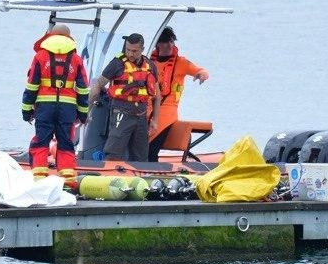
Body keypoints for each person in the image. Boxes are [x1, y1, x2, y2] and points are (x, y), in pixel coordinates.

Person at [21, 24, 90, 191]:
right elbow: (82, 89)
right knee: (66, 142)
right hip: (67, 108)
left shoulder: (40, 56)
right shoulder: (76, 59)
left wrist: (27, 110)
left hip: (44, 107)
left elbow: (31, 85)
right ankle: (67, 181)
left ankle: (39, 180)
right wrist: (82, 114)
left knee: (41, 141)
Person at [89, 33, 161, 162]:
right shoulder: (117, 64)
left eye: (134, 51)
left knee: (141, 155)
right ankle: (108, 175)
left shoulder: (150, 66)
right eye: (128, 50)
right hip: (121, 112)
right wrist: (86, 111)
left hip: (141, 115)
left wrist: (155, 120)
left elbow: (157, 96)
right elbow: (98, 85)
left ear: (142, 49)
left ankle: (139, 178)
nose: (130, 54)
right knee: (114, 151)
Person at [147, 26, 209, 161]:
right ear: (158, 44)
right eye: (165, 42)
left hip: (168, 113)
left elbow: (201, 70)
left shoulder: (181, 62)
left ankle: (150, 171)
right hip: (148, 110)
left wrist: (201, 75)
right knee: (141, 147)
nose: (169, 45)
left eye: (171, 41)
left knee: (151, 148)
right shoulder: (149, 63)